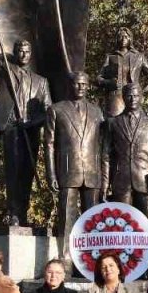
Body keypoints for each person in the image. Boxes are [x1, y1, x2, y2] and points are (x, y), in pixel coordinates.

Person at [0, 13, 53, 226]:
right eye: (20, 50)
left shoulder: (41, 82)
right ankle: (13, 212)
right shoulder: (6, 70)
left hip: (30, 130)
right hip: (11, 127)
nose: (23, 53)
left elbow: (48, 111)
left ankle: (23, 214)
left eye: (27, 51)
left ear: (31, 54)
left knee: (27, 173)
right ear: (16, 52)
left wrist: (31, 122)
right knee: (12, 171)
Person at [45, 71, 109, 269]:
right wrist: (51, 173)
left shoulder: (97, 111)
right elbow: (49, 144)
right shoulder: (56, 109)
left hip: (92, 171)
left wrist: (105, 177)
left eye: (84, 84)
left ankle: (92, 259)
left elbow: (103, 145)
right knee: (67, 217)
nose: (80, 87)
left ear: (88, 86)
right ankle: (66, 258)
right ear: (69, 85)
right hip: (67, 170)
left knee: (93, 218)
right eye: (76, 84)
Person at [107, 83, 148, 221]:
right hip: (121, 181)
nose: (133, 99)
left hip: (147, 181)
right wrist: (106, 184)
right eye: (129, 96)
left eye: (136, 95)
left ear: (141, 98)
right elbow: (106, 156)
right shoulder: (113, 123)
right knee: (122, 226)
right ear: (123, 98)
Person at [96, 27, 148, 118]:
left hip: (134, 97)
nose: (123, 39)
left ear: (130, 39)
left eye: (126, 36)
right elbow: (98, 78)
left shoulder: (139, 57)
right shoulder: (110, 57)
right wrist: (109, 82)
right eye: (120, 36)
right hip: (116, 99)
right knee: (115, 126)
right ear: (117, 39)